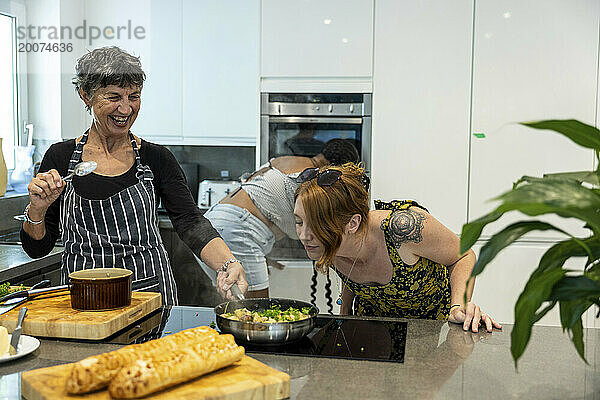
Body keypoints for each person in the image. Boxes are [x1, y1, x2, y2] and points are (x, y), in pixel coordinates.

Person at [19, 46, 247, 304]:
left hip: (148, 296)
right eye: (114, 97)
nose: (126, 109)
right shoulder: (60, 158)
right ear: (86, 95)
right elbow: (37, 248)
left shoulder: (157, 159)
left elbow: (190, 222)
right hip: (83, 298)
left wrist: (228, 263)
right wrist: (36, 209)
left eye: (134, 96)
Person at [293, 162, 502, 332]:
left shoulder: (402, 228)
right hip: (372, 329)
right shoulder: (328, 243)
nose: (303, 236)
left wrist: (459, 305)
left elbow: (463, 255)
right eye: (299, 222)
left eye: (316, 225)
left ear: (353, 224)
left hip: (428, 329)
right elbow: (349, 267)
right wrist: (345, 315)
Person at [199, 139, 359, 298]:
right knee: (256, 310)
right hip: (237, 229)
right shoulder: (311, 180)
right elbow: (310, 229)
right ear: (334, 169)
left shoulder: (284, 160)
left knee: (233, 301)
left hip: (212, 223)